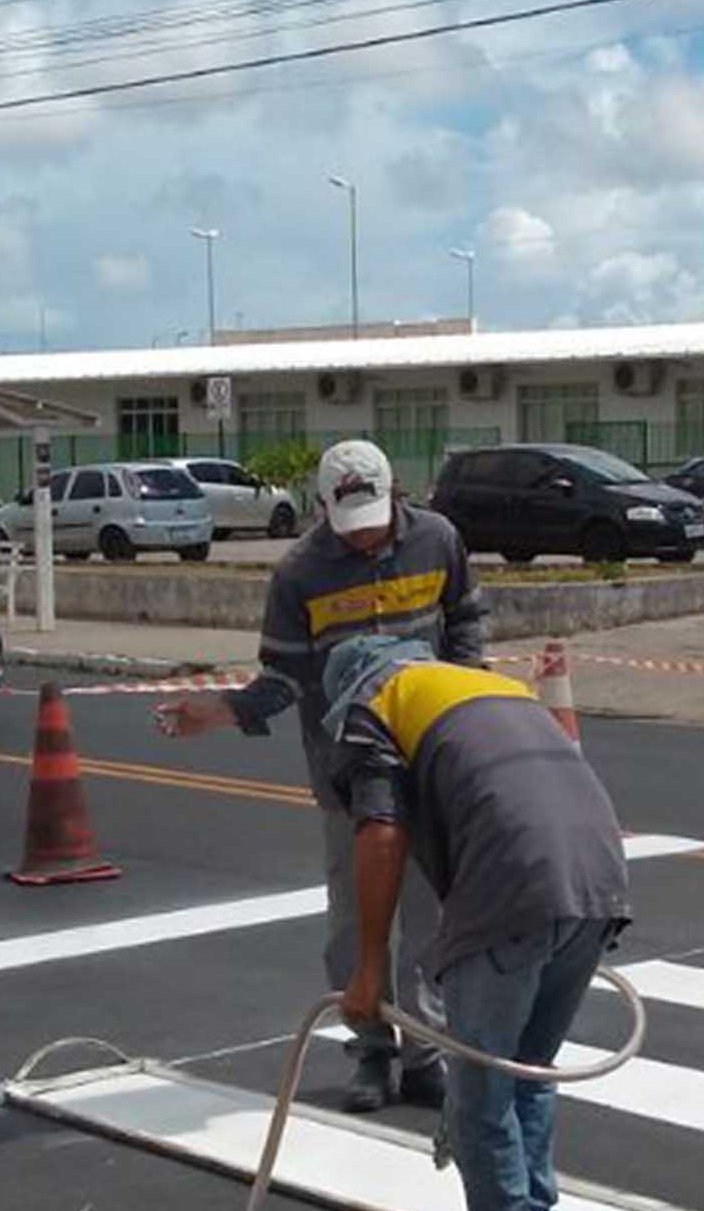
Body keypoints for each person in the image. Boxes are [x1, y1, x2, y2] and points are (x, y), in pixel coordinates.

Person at [155, 439, 487, 1112]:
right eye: (351, 531)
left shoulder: (438, 540)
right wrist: (223, 710)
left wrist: (468, 700)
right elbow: (283, 677)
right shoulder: (301, 573)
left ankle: (425, 1052)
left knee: (431, 918)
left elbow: (466, 622)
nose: (365, 542)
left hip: (428, 759)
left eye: (375, 525)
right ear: (322, 508)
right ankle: (372, 1051)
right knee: (355, 923)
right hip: (348, 774)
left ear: (397, 496)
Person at [323, 635, 630, 1211]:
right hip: (599, 878)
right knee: (526, 1075)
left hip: (513, 888)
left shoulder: (376, 704)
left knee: (482, 1094)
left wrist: (370, 969)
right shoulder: (490, 690)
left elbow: (378, 831)